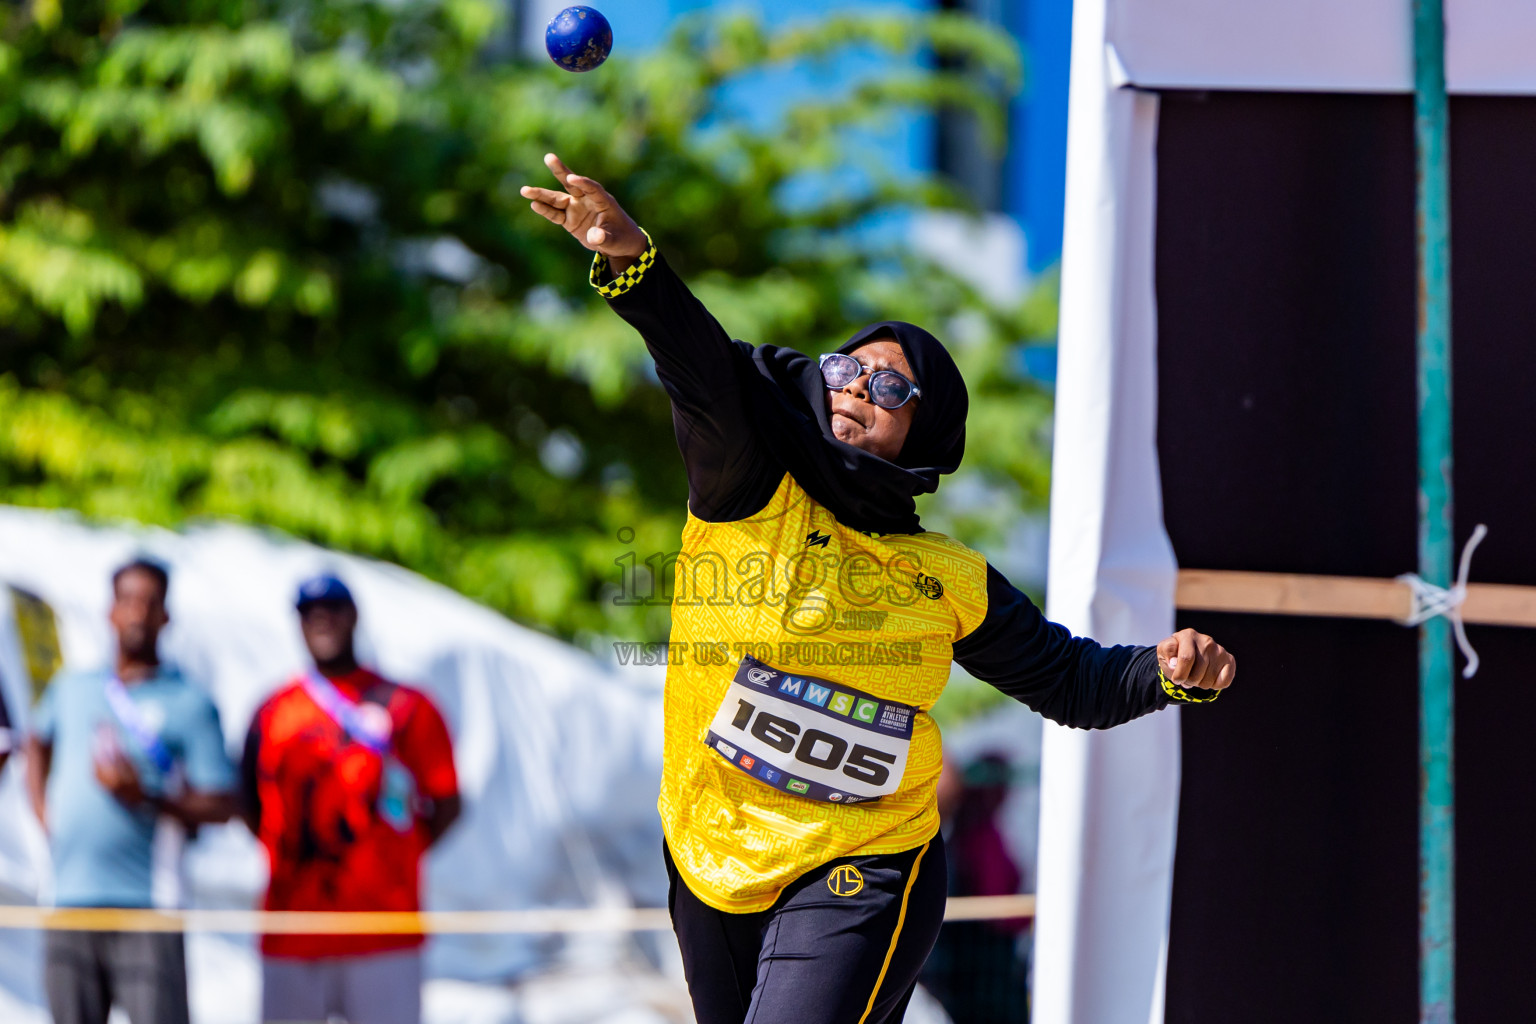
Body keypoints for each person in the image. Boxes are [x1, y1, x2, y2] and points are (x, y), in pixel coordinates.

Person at [520, 154, 1238, 1024]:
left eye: (891, 384)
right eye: (845, 367)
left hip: (865, 864)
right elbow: (701, 371)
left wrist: (1167, 670)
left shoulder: (947, 579)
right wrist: (632, 262)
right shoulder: (749, 486)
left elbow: (1071, 682)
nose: (858, 382)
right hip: (710, 849)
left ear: (923, 431)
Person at [25, 558, 237, 1024]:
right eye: (128, 601)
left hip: (148, 905)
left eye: (149, 602)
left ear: (165, 615)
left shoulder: (189, 702)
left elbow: (224, 803)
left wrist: (147, 796)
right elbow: (35, 744)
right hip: (69, 901)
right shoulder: (73, 688)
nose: (137, 613)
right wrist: (45, 813)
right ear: (111, 611)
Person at [241, 575, 461, 1024]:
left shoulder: (408, 706)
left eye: (333, 609)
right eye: (309, 611)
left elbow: (447, 801)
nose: (322, 620)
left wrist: (393, 861)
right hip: (294, 929)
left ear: (354, 616)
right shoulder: (273, 710)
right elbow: (247, 802)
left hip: (383, 930)